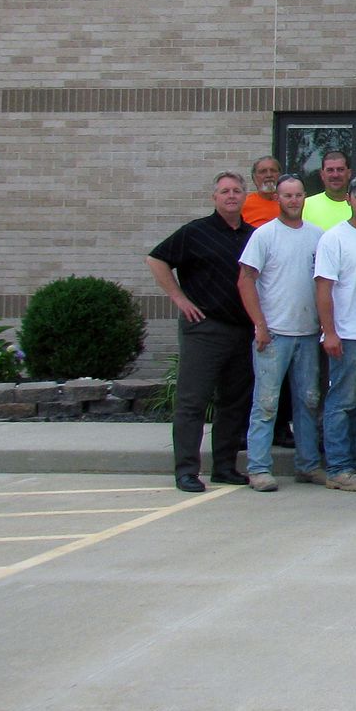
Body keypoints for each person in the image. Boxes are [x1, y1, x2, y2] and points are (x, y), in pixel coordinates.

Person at [147, 173, 256, 492]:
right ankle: (186, 471)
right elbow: (156, 259)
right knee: (192, 402)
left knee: (234, 402)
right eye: (225, 191)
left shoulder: (253, 235)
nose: (231, 196)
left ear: (244, 196)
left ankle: (224, 466)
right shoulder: (195, 232)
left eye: (237, 190)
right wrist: (180, 299)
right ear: (214, 198)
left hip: (243, 330)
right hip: (205, 329)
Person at [237, 175, 325, 491]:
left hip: (308, 335)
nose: (293, 201)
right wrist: (259, 325)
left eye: (299, 195)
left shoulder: (318, 236)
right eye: (287, 195)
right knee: (266, 403)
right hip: (273, 335)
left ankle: (308, 465)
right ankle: (259, 468)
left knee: (309, 402)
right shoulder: (264, 236)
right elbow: (245, 281)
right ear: (278, 198)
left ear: (305, 198)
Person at [313, 175, 356, 491]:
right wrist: (329, 332)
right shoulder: (334, 238)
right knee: (340, 402)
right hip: (346, 334)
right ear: (349, 200)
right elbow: (323, 289)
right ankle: (338, 467)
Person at [302, 150, 355, 231]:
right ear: (322, 174)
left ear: (349, 173)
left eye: (340, 169)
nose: (335, 175)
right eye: (330, 170)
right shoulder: (304, 206)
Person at [242, 156, 283, 227]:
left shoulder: (290, 203)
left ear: (280, 175)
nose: (269, 175)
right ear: (254, 177)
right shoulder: (243, 205)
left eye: (273, 171)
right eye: (263, 171)